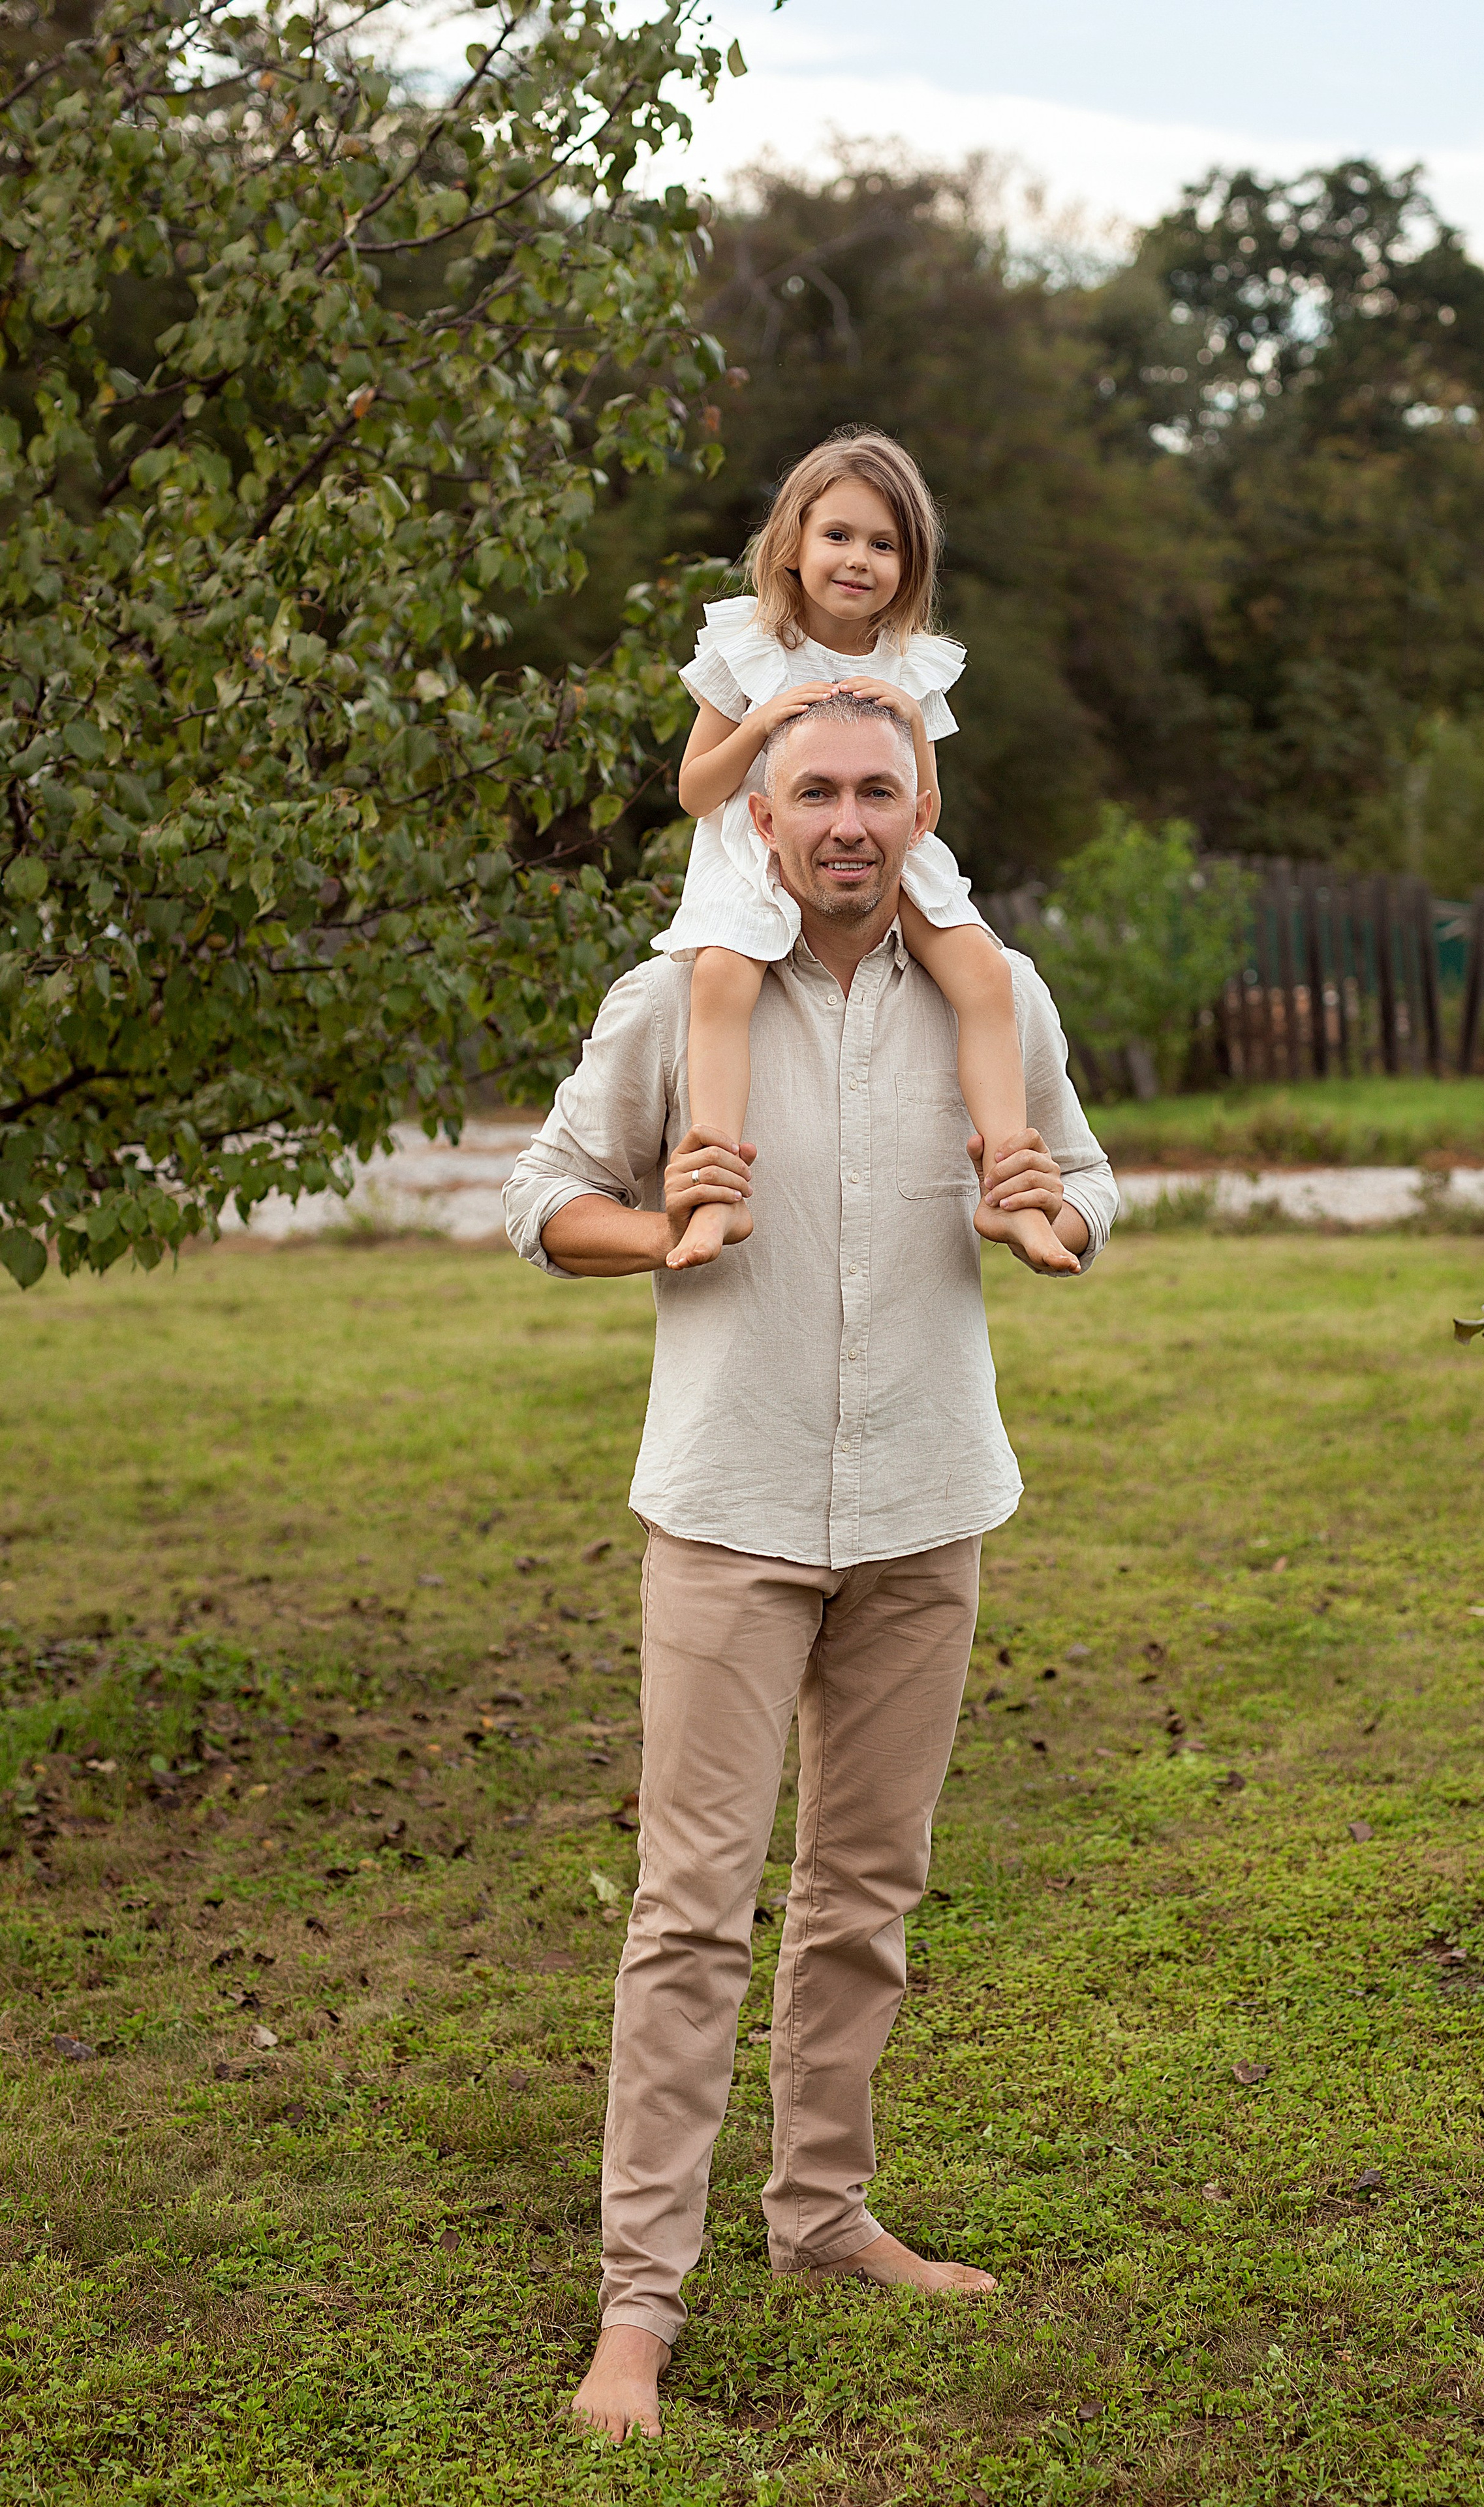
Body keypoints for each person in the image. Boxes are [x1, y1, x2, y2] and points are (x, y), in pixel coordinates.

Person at [502, 691, 1119, 2444]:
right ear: (760, 824)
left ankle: (825, 2212)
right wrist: (657, 1224)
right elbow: (540, 1193)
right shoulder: (675, 1004)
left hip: (931, 1502)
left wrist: (1057, 1216)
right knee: (691, 1914)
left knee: (868, 1891)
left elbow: (1077, 1173)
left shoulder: (998, 1002)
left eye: (879, 788)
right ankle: (640, 2308)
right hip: (730, 1507)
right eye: (816, 794)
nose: (848, 820)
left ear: (922, 807)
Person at [660, 426, 1078, 1279]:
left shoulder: (910, 664)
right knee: (720, 979)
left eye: (884, 544)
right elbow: (696, 791)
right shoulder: (750, 645)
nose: (859, 559)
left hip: (881, 856)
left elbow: (924, 814)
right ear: (795, 545)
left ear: (910, 564)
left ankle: (1016, 1193)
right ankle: (714, 1195)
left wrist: (915, 721)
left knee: (986, 974)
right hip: (760, 848)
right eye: (839, 536)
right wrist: (763, 724)